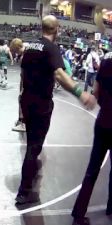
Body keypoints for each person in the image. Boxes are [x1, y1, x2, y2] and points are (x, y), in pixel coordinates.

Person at [15, 15, 96, 205]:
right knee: (34, 147)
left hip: (27, 100)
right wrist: (80, 93)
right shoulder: (51, 48)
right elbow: (60, 74)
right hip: (41, 104)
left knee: (32, 141)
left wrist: (20, 103)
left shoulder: (30, 48)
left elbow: (22, 74)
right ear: (57, 29)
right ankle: (24, 191)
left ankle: (30, 170)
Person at [71, 51, 112, 225]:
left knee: (92, 170)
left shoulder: (106, 64)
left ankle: (78, 214)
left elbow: (96, 91)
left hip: (103, 121)